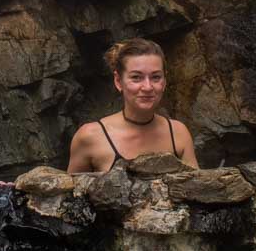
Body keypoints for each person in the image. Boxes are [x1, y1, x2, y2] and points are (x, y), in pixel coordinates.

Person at [67, 38, 198, 173]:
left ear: (164, 82)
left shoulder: (178, 134)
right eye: (136, 77)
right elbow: (69, 192)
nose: (147, 87)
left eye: (156, 77)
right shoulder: (90, 137)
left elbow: (199, 191)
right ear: (118, 81)